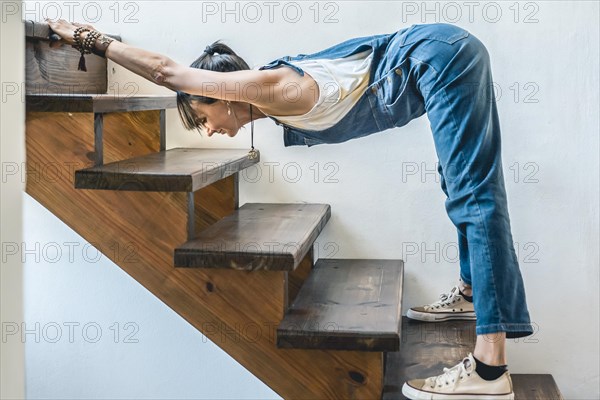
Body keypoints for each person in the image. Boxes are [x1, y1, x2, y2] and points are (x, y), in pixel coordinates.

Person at [46, 18, 534, 399]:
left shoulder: (272, 87)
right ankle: (472, 292)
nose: (208, 130)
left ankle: (490, 368)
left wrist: (89, 38)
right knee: (461, 186)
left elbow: (164, 70)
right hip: (442, 56)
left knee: (475, 197)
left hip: (440, 58)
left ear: (222, 93)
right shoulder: (272, 95)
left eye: (204, 116)